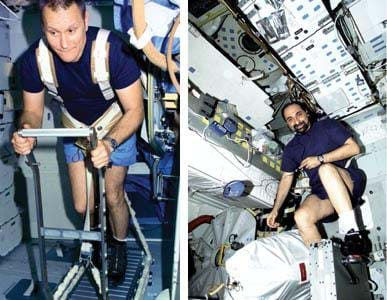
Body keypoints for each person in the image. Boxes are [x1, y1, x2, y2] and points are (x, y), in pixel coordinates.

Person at [11, 0, 144, 284]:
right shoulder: (33, 61)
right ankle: (99, 237)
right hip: (76, 128)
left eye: (71, 30)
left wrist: (109, 143)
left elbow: (135, 111)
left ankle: (118, 244)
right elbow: (32, 112)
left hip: (116, 125)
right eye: (53, 32)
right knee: (84, 206)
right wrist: (26, 132)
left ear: (85, 19)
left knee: (113, 194)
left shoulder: (114, 51)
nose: (63, 43)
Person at [267, 102, 371, 256]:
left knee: (325, 169)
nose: (296, 121)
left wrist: (320, 159)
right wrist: (275, 209)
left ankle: (352, 234)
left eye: (299, 114)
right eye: (290, 119)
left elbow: (353, 148)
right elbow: (286, 177)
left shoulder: (327, 126)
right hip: (323, 195)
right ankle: (323, 263)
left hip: (348, 182)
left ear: (307, 113)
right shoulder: (291, 149)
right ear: (287, 124)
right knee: (301, 216)